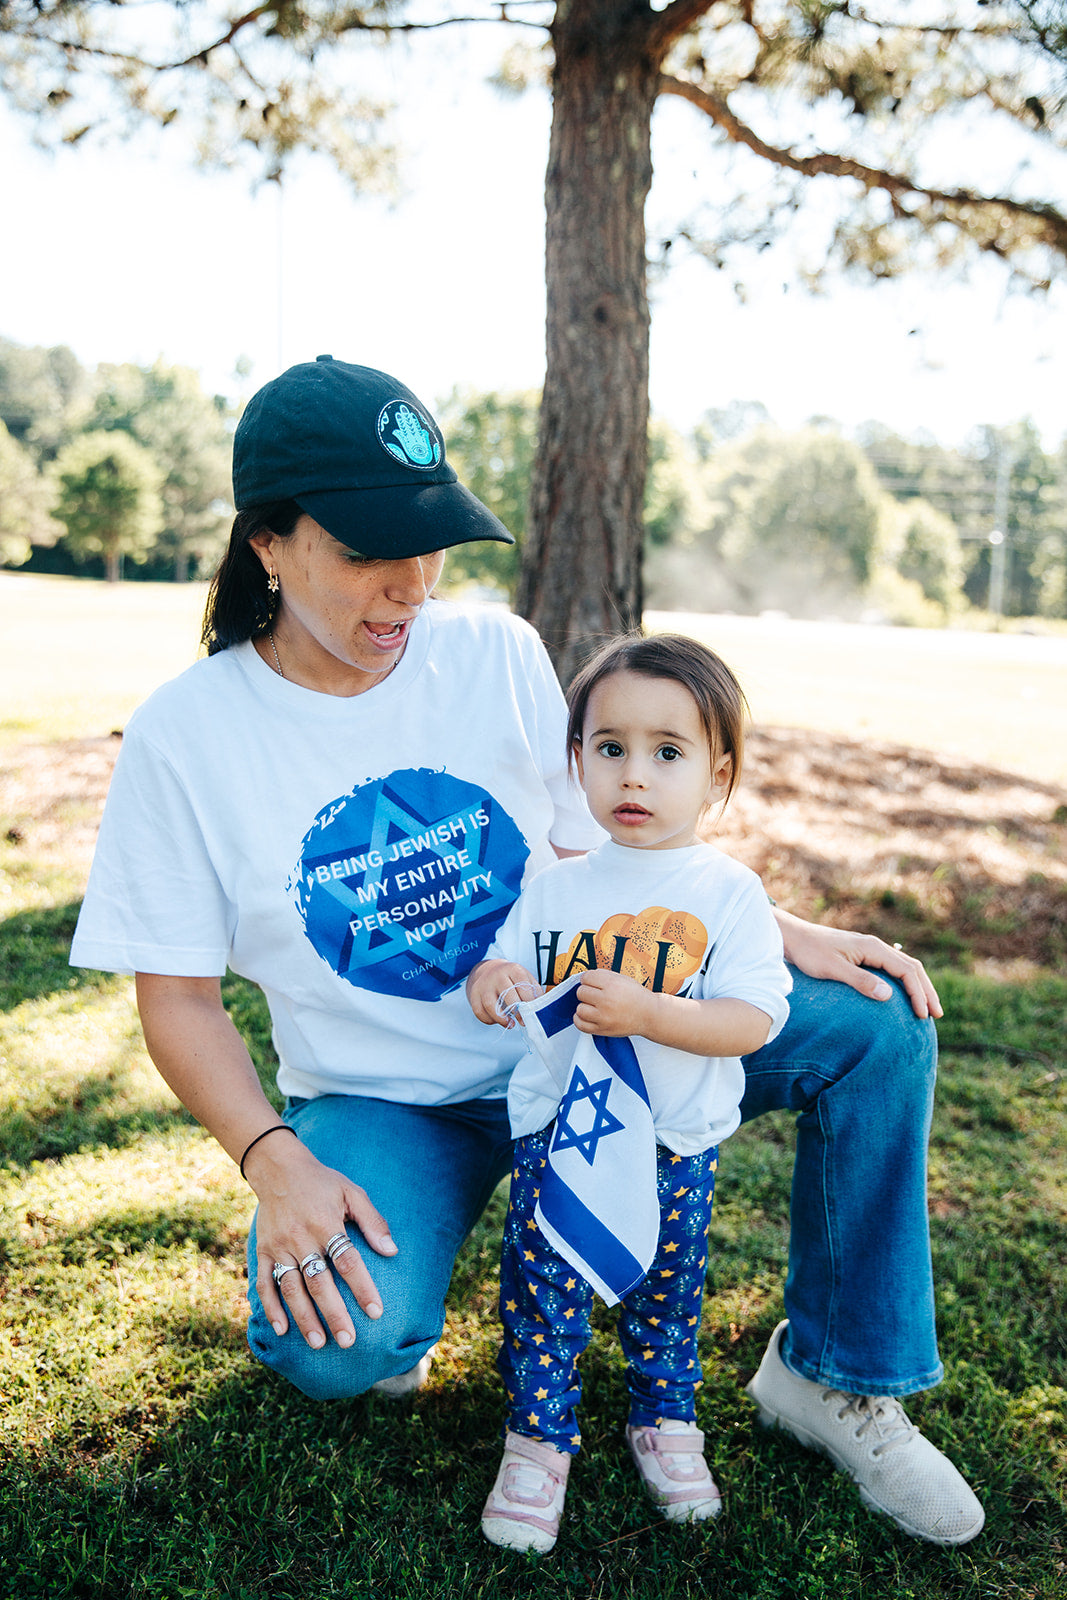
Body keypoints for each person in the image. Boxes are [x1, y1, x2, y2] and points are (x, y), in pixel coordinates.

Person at [69, 355, 983, 1549]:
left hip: (603, 1038)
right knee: (327, 1347)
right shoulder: (188, 735)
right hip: (394, 1101)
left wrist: (779, 931)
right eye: (361, 552)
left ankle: (830, 1373)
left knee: (873, 1027)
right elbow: (180, 1000)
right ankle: (417, 1257)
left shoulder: (491, 650)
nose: (408, 587)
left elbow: (597, 853)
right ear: (269, 547)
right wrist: (272, 1158)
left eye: (429, 543)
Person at [467, 633, 793, 1551]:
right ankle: (537, 1438)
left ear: (716, 772)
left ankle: (663, 1417)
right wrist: (491, 988)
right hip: (557, 1137)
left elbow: (751, 1020)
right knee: (545, 1292)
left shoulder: (728, 893)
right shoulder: (554, 886)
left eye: (667, 752)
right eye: (609, 749)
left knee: (666, 1291)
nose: (633, 776)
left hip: (672, 1143)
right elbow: (503, 969)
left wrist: (648, 1012)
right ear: (578, 763)